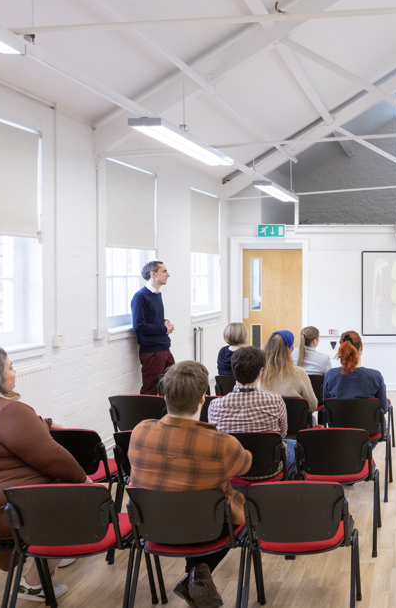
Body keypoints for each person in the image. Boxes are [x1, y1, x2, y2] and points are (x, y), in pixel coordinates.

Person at [0, 348, 89, 602]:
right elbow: (56, 459)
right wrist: (87, 483)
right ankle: (35, 583)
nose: (14, 373)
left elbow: (5, 428)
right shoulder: (8, 411)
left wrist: (46, 423)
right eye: (10, 368)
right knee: (76, 496)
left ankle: (33, 557)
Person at [129, 360, 252, 608]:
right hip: (207, 528)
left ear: (164, 397)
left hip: (153, 524)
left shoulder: (140, 431)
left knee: (191, 499)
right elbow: (245, 465)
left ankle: (197, 574)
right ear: (203, 399)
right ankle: (198, 571)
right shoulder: (222, 443)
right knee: (236, 500)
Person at [208, 346, 293, 478]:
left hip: (231, 470)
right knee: (294, 445)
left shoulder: (214, 405)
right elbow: (282, 434)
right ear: (260, 372)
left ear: (234, 371)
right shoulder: (276, 401)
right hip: (269, 469)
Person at [131, 260, 175, 395]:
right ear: (153, 274)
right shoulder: (140, 297)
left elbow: (152, 318)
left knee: (172, 384)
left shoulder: (156, 294)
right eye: (164, 271)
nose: (168, 275)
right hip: (152, 352)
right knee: (150, 390)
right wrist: (164, 329)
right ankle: (147, 416)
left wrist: (165, 322)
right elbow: (139, 326)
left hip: (164, 348)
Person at [322, 331, 389, 412]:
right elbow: (384, 409)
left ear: (341, 348)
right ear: (361, 347)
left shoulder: (330, 375)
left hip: (338, 424)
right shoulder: (375, 376)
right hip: (368, 424)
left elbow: (325, 405)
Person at [261, 330, 317, 410]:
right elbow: (313, 405)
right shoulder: (299, 373)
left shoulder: (259, 373)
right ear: (291, 350)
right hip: (295, 422)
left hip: (267, 421)